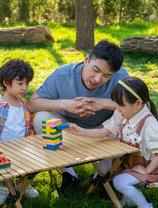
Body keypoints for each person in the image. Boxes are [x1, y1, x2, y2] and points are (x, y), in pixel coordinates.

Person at [27, 39, 129, 195]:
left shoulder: (121, 76)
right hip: (69, 127)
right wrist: (65, 104)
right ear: (86, 59)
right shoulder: (62, 74)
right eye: (95, 69)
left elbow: (136, 107)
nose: (97, 79)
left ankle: (103, 175)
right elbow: (33, 104)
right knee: (41, 118)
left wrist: (103, 103)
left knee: (126, 123)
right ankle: (69, 174)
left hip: (103, 130)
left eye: (106, 76)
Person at [66, 77, 158, 208]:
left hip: (150, 167)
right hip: (129, 163)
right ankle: (129, 198)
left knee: (120, 182)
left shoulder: (149, 124)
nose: (117, 108)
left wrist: (147, 170)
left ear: (138, 104)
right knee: (105, 169)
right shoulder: (122, 114)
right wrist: (81, 131)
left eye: (121, 105)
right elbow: (104, 131)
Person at [0, 59, 40, 205]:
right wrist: (3, 151)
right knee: (4, 165)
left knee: (39, 159)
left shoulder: (25, 106)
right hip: (2, 152)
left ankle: (23, 184)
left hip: (23, 149)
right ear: (7, 83)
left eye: (27, 83)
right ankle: (5, 186)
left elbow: (30, 130)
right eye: (20, 84)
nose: (25, 88)